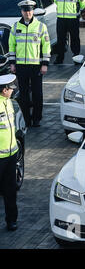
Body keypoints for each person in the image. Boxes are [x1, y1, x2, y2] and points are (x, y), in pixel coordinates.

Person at [8, 0, 50, 128]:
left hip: (36, 66)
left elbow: (46, 46)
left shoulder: (41, 27)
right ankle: (26, 119)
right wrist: (12, 63)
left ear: (33, 11)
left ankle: (36, 118)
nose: (28, 13)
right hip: (21, 66)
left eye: (30, 10)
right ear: (22, 11)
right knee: (24, 94)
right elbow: (11, 46)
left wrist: (44, 64)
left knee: (37, 94)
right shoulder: (15, 27)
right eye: (25, 10)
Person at [54, 0, 85, 64]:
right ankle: (60, 58)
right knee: (60, 40)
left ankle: (76, 58)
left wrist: (77, 8)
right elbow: (55, 0)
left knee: (75, 39)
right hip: (61, 19)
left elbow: (83, 3)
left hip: (73, 19)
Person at [0, 74, 19, 231]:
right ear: (4, 90)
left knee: (10, 190)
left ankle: (11, 220)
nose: (13, 91)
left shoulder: (9, 103)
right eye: (10, 89)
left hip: (11, 155)